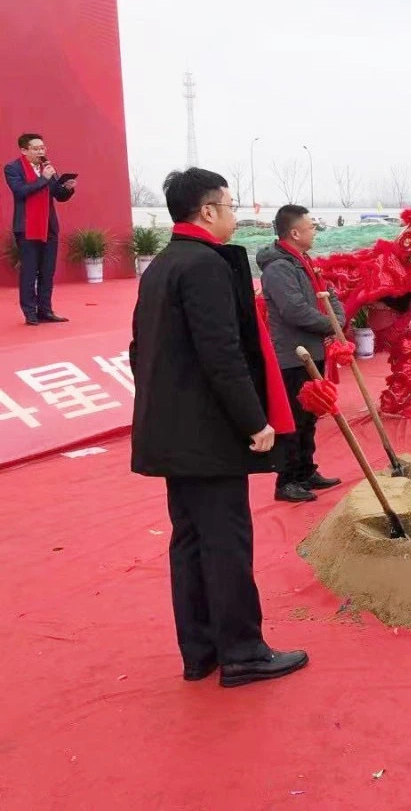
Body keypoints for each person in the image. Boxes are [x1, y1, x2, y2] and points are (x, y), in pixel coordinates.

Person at [130, 167, 308, 687]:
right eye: (230, 205)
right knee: (225, 541)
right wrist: (254, 420)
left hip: (173, 432)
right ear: (207, 211)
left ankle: (201, 650)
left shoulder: (161, 265)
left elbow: (139, 351)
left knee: (190, 541)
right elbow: (222, 352)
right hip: (208, 434)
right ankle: (243, 652)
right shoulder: (205, 266)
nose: (234, 214)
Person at [257, 204, 346, 504]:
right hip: (292, 356)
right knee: (293, 419)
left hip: (312, 350)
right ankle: (287, 480)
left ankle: (306, 471)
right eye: (311, 227)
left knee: (309, 417)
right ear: (294, 233)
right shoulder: (279, 268)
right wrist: (331, 325)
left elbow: (330, 295)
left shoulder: (303, 262)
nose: (315, 231)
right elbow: (294, 310)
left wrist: (336, 319)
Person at [5, 133, 76, 325]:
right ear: (24, 150)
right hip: (27, 227)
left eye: (43, 148)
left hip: (49, 227)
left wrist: (67, 188)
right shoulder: (13, 168)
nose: (41, 152)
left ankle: (46, 310)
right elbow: (20, 191)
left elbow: (58, 195)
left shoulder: (48, 168)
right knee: (29, 272)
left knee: (47, 271)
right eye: (36, 148)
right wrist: (43, 179)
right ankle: (30, 313)